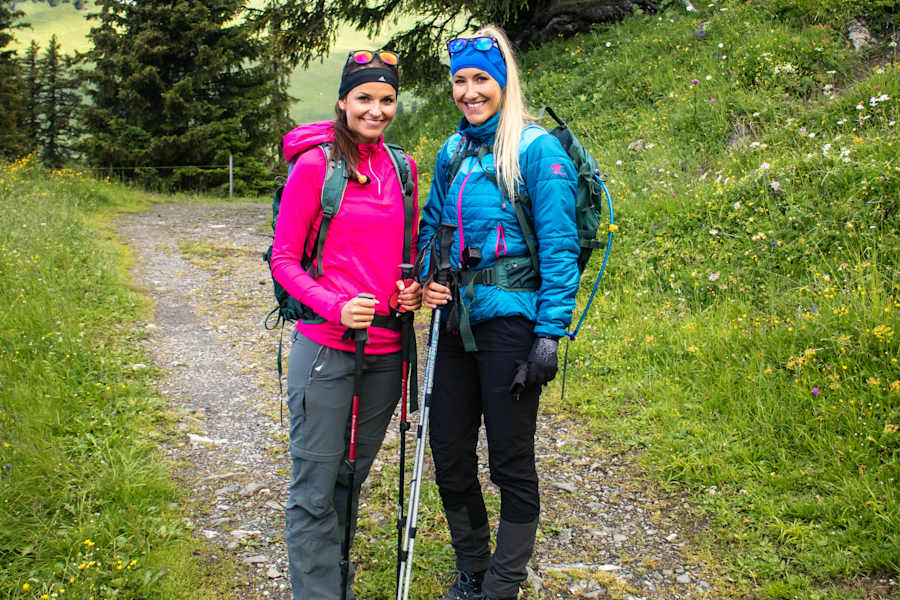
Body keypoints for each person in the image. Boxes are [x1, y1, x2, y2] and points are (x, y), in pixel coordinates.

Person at [419, 25, 580, 600]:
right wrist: (429, 277)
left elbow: (560, 248)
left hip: (514, 319)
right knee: (448, 450)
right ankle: (473, 568)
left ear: (505, 81)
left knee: (510, 455)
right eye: (460, 81)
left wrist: (549, 335)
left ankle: (503, 584)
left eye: (481, 79)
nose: (469, 92)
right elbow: (430, 230)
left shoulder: (537, 150)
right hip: (454, 317)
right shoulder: (452, 150)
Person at [270, 49, 422, 600]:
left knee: (349, 477)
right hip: (326, 349)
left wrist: (409, 289)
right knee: (314, 485)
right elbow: (283, 259)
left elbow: (407, 256)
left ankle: (332, 581)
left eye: (386, 99)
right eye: (364, 97)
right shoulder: (316, 168)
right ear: (342, 101)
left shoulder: (402, 169)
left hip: (386, 351)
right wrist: (334, 305)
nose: (376, 109)